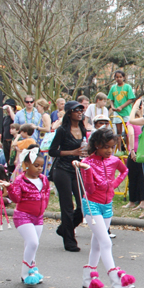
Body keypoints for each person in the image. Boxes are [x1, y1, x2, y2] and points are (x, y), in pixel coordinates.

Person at [75, 127, 135, 288]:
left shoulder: (114, 160)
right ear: (96, 145)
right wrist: (87, 170)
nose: (109, 150)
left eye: (112, 147)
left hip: (107, 205)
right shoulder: (88, 162)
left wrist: (114, 184)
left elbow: (125, 170)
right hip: (92, 205)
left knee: (97, 244)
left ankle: (88, 279)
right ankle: (116, 282)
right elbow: (89, 189)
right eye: (106, 147)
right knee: (105, 242)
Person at [0, 145, 50, 286]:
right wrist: (10, 188)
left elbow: (46, 193)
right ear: (26, 165)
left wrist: (44, 205)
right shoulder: (20, 180)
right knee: (33, 242)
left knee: (32, 245)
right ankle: (25, 273)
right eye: (36, 165)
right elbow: (16, 199)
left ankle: (31, 270)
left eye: (41, 166)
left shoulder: (43, 179)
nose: (39, 169)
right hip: (23, 216)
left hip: (38, 217)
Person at [48, 101, 88, 252]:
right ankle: (70, 241)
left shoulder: (83, 129)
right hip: (62, 169)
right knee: (67, 207)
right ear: (69, 113)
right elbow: (52, 151)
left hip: (77, 169)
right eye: (76, 110)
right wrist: (73, 152)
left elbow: (83, 148)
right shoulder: (62, 130)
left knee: (83, 205)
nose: (79, 112)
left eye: (81, 110)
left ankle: (64, 228)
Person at [123, 102, 144, 213]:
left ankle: (132, 200)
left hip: (135, 150)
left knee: (132, 177)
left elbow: (131, 134)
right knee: (143, 176)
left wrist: (132, 150)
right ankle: (143, 201)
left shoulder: (131, 122)